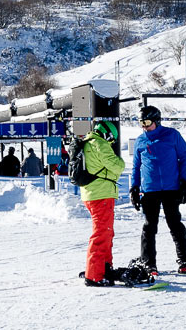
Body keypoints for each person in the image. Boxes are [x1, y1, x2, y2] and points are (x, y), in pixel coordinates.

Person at [129, 106, 186, 274]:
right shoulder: (140, 141)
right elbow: (136, 167)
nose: (144, 126)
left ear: (156, 121)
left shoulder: (171, 135)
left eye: (147, 122)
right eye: (141, 122)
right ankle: (148, 263)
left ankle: (185, 260)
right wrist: (134, 188)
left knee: (174, 224)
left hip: (171, 188)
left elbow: (185, 157)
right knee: (149, 226)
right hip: (149, 190)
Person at [78, 122, 125, 286]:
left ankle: (103, 267)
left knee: (105, 232)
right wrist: (119, 162)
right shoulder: (100, 144)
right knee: (101, 234)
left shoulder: (87, 143)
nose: (111, 143)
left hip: (91, 193)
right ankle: (94, 275)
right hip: (101, 195)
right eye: (112, 139)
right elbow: (117, 166)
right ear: (107, 134)